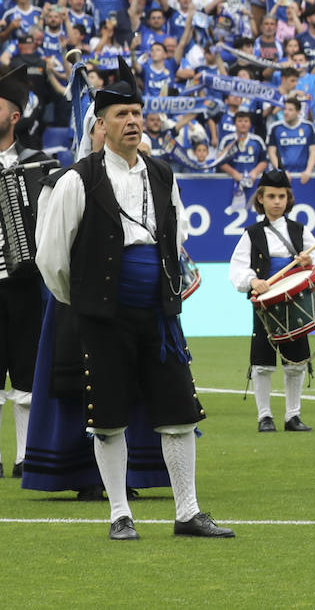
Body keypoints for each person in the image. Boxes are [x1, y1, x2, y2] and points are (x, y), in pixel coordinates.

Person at [35, 60, 232, 540]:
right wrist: (88, 303)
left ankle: (188, 512)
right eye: (121, 114)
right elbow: (53, 258)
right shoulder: (76, 180)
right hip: (104, 318)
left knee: (180, 412)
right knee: (108, 417)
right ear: (100, 125)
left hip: (160, 317)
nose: (132, 121)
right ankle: (120, 513)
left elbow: (175, 237)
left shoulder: (163, 175)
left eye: (137, 112)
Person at [22, 115, 171, 502]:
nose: (115, 131)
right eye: (104, 126)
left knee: (131, 387)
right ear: (93, 133)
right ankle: (81, 472)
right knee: (79, 388)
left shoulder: (147, 177)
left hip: (128, 303)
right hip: (78, 301)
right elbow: (50, 247)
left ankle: (132, 472)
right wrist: (78, 296)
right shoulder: (64, 182)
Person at [228, 170, 315, 433]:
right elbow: (237, 268)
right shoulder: (251, 234)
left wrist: (309, 262)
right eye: (271, 196)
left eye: (281, 196)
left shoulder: (300, 231)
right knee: (262, 363)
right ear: (261, 198)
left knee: (296, 363)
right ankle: (264, 416)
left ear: (288, 198)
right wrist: (253, 281)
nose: (277, 201)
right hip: (265, 307)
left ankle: (293, 415)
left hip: (295, 304)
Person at [0, 67, 57, 478]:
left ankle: (25, 456)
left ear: (14, 116)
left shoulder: (37, 164)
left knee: (25, 373)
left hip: (22, 284)